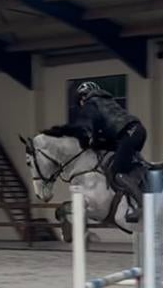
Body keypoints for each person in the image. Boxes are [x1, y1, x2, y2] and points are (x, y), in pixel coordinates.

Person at [44, 81, 147, 222]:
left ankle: (142, 206)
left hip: (128, 135)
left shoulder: (90, 104)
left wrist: (59, 130)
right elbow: (104, 132)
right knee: (125, 164)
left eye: (80, 101)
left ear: (82, 98)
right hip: (137, 131)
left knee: (116, 171)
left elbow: (83, 128)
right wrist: (97, 142)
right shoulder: (106, 101)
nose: (80, 105)